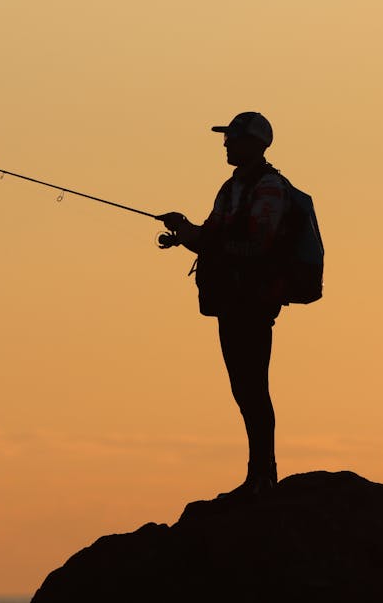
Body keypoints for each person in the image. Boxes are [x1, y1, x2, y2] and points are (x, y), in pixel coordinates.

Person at [158, 111, 290, 499]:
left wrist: (208, 243)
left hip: (254, 301)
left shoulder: (269, 189)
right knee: (242, 388)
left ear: (255, 144)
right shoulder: (230, 189)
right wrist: (184, 231)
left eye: (233, 137)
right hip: (232, 300)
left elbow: (259, 245)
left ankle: (263, 475)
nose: (226, 143)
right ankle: (259, 473)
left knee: (253, 388)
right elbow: (211, 236)